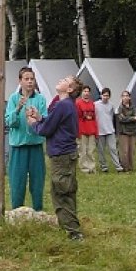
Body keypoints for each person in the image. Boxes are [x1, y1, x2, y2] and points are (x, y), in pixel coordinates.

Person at [27, 75, 83, 240]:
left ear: (70, 89)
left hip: (61, 154)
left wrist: (33, 124)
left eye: (65, 80)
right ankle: (68, 227)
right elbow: (53, 123)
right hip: (66, 153)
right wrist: (40, 118)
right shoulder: (65, 105)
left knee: (61, 192)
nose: (60, 80)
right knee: (66, 189)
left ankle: (73, 232)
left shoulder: (62, 105)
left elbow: (47, 130)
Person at [4, 67, 47, 210]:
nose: (29, 82)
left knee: (37, 181)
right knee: (17, 181)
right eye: (26, 79)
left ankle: (38, 211)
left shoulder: (40, 99)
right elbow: (10, 122)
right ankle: (17, 211)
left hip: (36, 145)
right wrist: (17, 109)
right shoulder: (13, 98)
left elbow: (46, 122)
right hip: (18, 146)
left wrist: (37, 117)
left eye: (32, 79)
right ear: (20, 81)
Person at [95, 87, 124, 173]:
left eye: (107, 96)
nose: (105, 97)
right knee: (101, 150)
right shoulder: (95, 104)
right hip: (100, 131)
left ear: (109, 96)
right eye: (104, 95)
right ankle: (104, 167)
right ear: (101, 95)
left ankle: (118, 167)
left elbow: (112, 117)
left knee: (113, 149)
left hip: (110, 130)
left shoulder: (111, 105)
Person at [75, 85, 98, 173]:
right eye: (84, 91)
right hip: (82, 130)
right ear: (81, 93)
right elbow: (76, 117)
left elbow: (95, 117)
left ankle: (91, 167)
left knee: (91, 150)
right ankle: (84, 168)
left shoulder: (92, 103)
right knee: (82, 150)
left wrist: (96, 131)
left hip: (91, 129)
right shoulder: (78, 103)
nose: (86, 93)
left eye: (88, 91)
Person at [117, 90, 136, 171]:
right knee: (125, 150)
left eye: (127, 96)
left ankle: (131, 167)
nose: (125, 97)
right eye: (123, 96)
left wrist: (130, 118)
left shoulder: (133, 107)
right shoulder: (120, 108)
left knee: (131, 150)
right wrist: (132, 118)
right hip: (123, 132)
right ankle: (125, 167)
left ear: (129, 97)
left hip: (132, 131)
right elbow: (122, 119)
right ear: (121, 98)